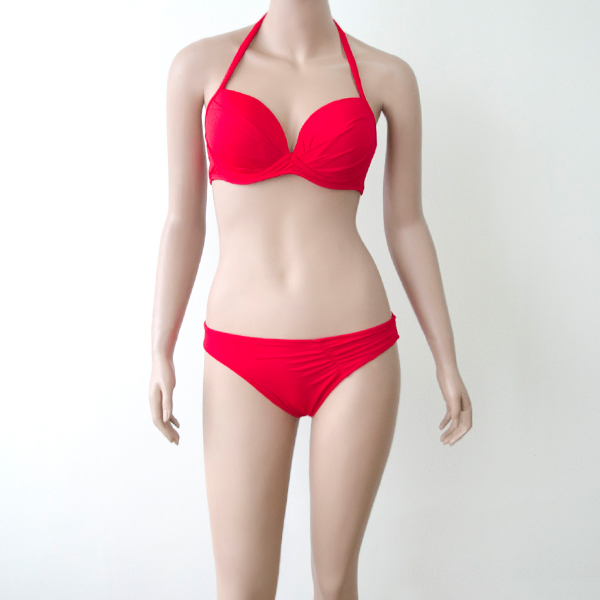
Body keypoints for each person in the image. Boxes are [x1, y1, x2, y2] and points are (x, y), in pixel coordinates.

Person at [149, 1, 473, 598]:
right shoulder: (198, 67)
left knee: (336, 584)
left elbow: (406, 224)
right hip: (240, 359)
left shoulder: (386, 76)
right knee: (241, 589)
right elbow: (181, 222)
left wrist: (445, 357)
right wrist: (159, 349)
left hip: (357, 354)